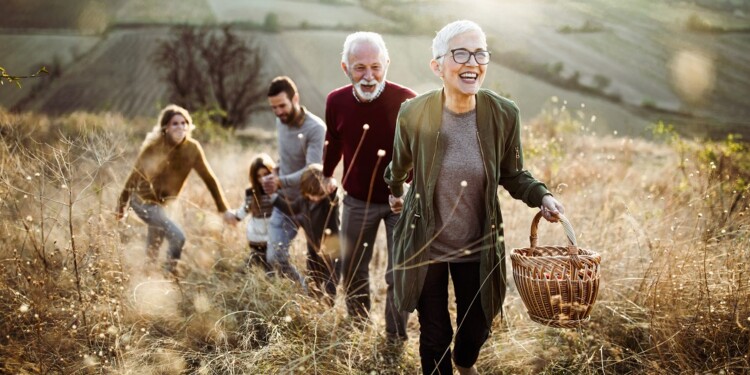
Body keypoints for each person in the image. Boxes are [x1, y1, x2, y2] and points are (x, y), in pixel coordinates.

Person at [384, 20, 566, 375]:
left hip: (478, 245)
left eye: (480, 52)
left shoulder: (503, 114)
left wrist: (541, 196)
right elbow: (398, 166)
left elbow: (513, 174)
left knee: (478, 326)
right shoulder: (413, 113)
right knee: (435, 336)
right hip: (427, 244)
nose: (472, 62)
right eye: (460, 53)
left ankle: (465, 363)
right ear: (437, 66)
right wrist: (395, 192)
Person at [322, 31, 417, 340]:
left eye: (376, 66)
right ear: (344, 67)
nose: (368, 75)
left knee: (399, 273)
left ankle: (395, 338)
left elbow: (421, 153)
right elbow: (334, 142)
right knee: (353, 269)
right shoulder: (335, 101)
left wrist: (407, 191)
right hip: (356, 200)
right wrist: (326, 174)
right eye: (359, 67)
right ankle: (360, 328)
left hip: (398, 202)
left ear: (387, 63)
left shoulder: (407, 101)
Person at [116, 104, 236, 274]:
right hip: (143, 202)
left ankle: (147, 276)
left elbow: (209, 179)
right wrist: (121, 205)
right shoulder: (154, 148)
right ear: (165, 127)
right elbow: (133, 177)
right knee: (177, 236)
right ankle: (169, 274)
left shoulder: (193, 149)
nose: (181, 127)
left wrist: (223, 209)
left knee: (154, 243)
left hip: (163, 205)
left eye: (184, 123)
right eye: (175, 124)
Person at [262, 76, 336, 294]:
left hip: (310, 203)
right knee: (275, 257)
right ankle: (303, 292)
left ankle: (319, 302)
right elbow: (285, 156)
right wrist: (276, 169)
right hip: (284, 201)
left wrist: (279, 181)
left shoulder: (316, 128)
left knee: (320, 262)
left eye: (282, 106)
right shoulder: (280, 121)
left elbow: (312, 170)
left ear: (295, 98)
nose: (278, 112)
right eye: (274, 108)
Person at [271, 163, 340, 301]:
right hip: (313, 250)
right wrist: (274, 198)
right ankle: (313, 303)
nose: (314, 198)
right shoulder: (304, 200)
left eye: (318, 195)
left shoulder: (329, 203)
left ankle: (327, 309)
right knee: (313, 279)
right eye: (311, 195)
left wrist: (332, 187)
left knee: (329, 283)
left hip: (330, 251)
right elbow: (290, 208)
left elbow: (334, 197)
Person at [231, 153, 276, 272]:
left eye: (266, 174)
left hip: (272, 236)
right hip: (256, 235)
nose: (263, 179)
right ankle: (244, 271)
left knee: (271, 263)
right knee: (258, 260)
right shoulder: (251, 193)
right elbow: (244, 209)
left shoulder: (276, 190)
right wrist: (235, 217)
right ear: (254, 177)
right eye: (259, 176)